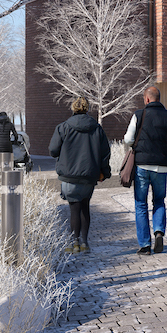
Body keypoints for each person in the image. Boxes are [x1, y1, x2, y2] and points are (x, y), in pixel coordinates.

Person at [48, 97, 111, 254]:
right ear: (87, 109)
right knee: (85, 207)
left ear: (73, 108)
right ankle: (84, 242)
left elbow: (53, 150)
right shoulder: (97, 129)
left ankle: (73, 242)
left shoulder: (63, 127)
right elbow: (105, 153)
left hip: (69, 175)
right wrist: (105, 172)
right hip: (89, 176)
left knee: (74, 209)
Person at [126, 85, 167, 254]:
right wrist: (165, 154)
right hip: (161, 166)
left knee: (140, 204)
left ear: (147, 99)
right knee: (159, 200)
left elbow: (128, 138)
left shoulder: (139, 115)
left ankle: (145, 245)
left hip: (142, 164)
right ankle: (158, 232)